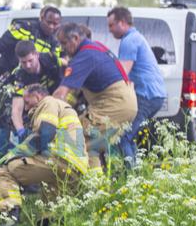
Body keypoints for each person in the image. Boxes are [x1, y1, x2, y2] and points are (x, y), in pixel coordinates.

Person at [0, 84, 91, 226]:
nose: (26, 109)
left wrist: (14, 155)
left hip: (58, 160)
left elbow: (45, 133)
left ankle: (8, 219)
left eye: (27, 102)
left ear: (38, 96)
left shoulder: (48, 102)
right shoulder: (65, 109)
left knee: (6, 171)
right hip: (77, 168)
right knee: (51, 211)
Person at [0, 5, 62, 153]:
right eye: (49, 22)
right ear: (41, 17)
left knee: (27, 127)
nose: (52, 27)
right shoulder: (24, 27)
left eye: (56, 24)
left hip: (30, 89)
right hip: (5, 84)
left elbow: (57, 64)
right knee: (1, 128)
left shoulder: (55, 43)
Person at [52, 22, 137, 169]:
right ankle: (99, 183)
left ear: (75, 38)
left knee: (75, 139)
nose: (62, 48)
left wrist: (48, 116)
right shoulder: (95, 47)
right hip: (125, 103)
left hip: (114, 104)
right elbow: (73, 94)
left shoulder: (83, 56)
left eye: (64, 43)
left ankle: (93, 186)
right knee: (93, 143)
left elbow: (61, 93)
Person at [107, 6, 167, 167]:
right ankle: (134, 174)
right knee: (129, 135)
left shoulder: (129, 40)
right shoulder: (136, 37)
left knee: (123, 137)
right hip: (154, 94)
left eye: (111, 25)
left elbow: (123, 73)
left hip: (146, 95)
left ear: (121, 23)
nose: (109, 30)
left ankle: (129, 177)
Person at [0, 40, 63, 141]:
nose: (28, 66)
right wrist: (21, 131)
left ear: (37, 55)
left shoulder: (51, 58)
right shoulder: (19, 76)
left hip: (59, 98)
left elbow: (68, 65)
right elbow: (16, 110)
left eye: (30, 61)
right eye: (23, 62)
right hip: (36, 107)